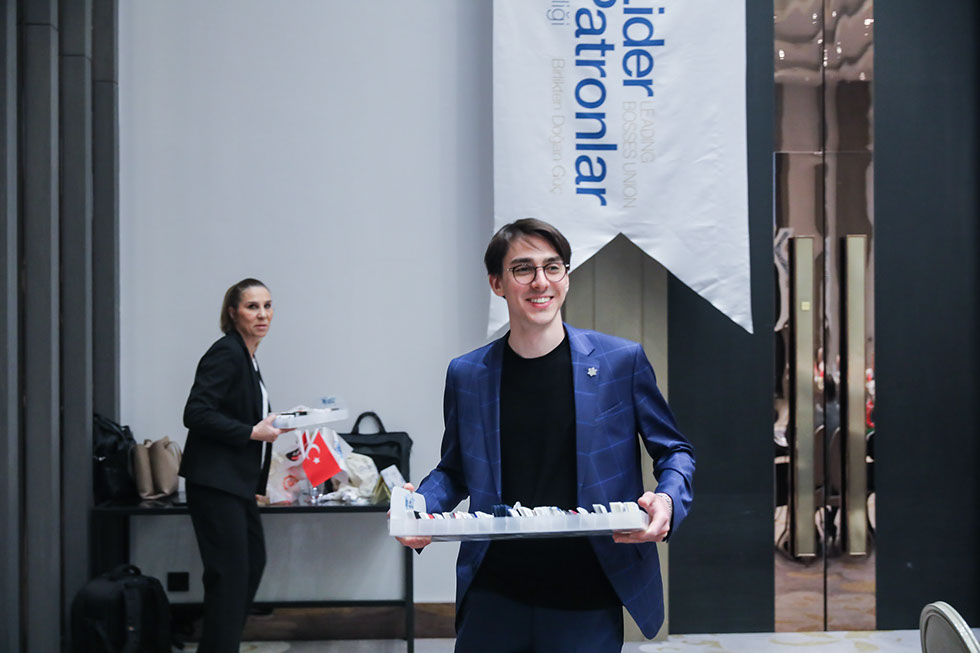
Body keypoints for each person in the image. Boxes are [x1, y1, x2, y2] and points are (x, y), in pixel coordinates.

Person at [397, 219, 695, 653]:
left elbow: (675, 451)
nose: (541, 281)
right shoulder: (468, 374)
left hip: (587, 592)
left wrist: (667, 500)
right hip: (494, 593)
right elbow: (455, 470)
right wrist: (421, 506)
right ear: (497, 283)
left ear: (566, 278)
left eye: (553, 267)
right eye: (523, 269)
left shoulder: (619, 362)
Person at [179, 278, 284, 653]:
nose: (262, 314)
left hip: (236, 484)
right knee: (230, 577)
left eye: (267, 306)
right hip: (215, 483)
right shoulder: (226, 352)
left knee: (251, 565)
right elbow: (195, 413)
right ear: (232, 312)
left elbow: (241, 416)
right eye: (252, 307)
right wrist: (252, 432)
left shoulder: (247, 356)